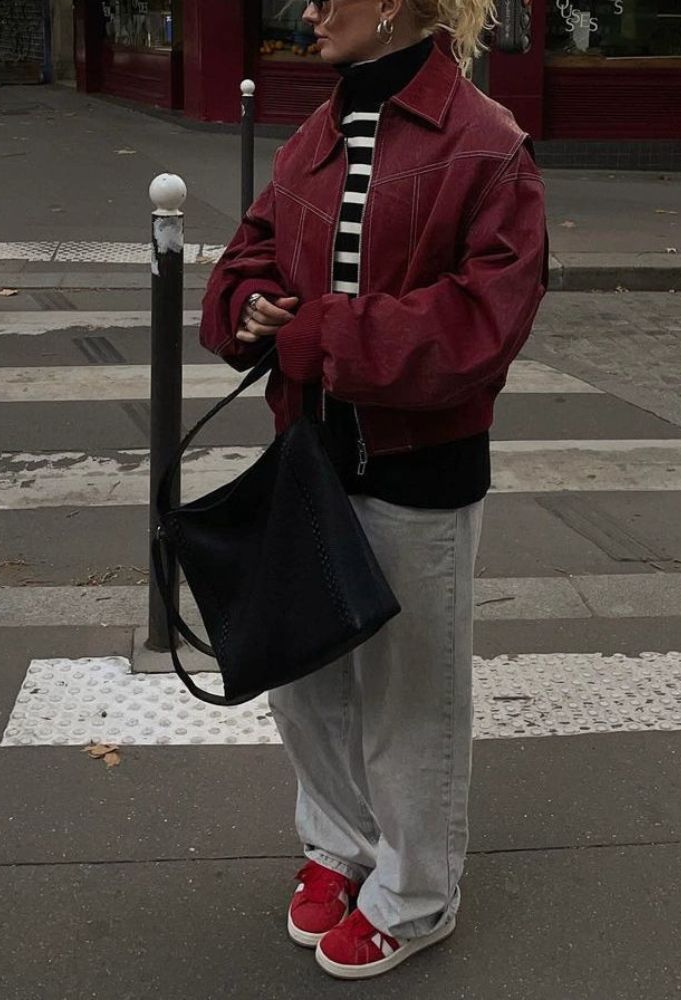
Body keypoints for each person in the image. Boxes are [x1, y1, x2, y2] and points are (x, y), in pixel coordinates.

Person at [200, 0, 549, 980]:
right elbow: (251, 250)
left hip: (420, 468)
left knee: (410, 699)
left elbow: (479, 326)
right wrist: (247, 303)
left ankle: (417, 891)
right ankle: (340, 844)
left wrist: (320, 335)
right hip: (309, 457)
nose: (307, 11)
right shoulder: (319, 129)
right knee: (305, 676)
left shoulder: (487, 145)